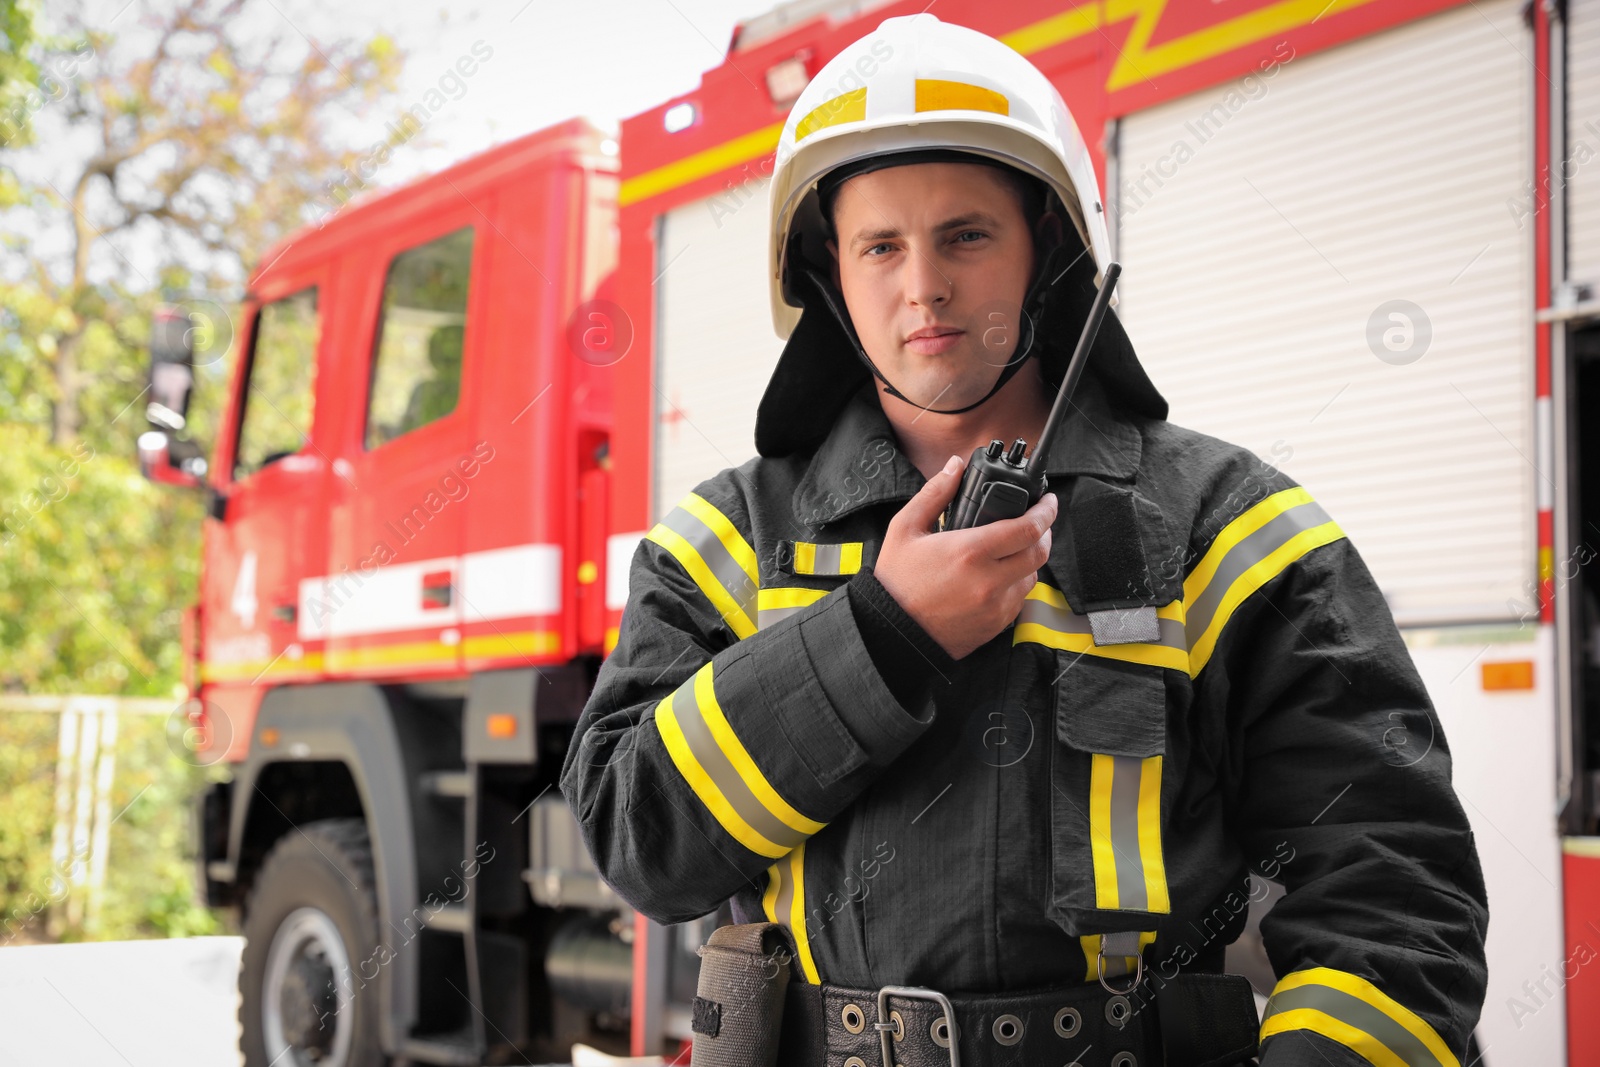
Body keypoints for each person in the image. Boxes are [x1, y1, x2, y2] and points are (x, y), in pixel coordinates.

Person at [561, 14, 1488, 1066]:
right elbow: (641, 844)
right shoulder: (725, 540)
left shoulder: (1229, 525)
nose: (923, 286)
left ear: (1048, 248)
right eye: (880, 244)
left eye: (965, 234)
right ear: (826, 273)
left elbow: (1392, 884)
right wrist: (880, 635)